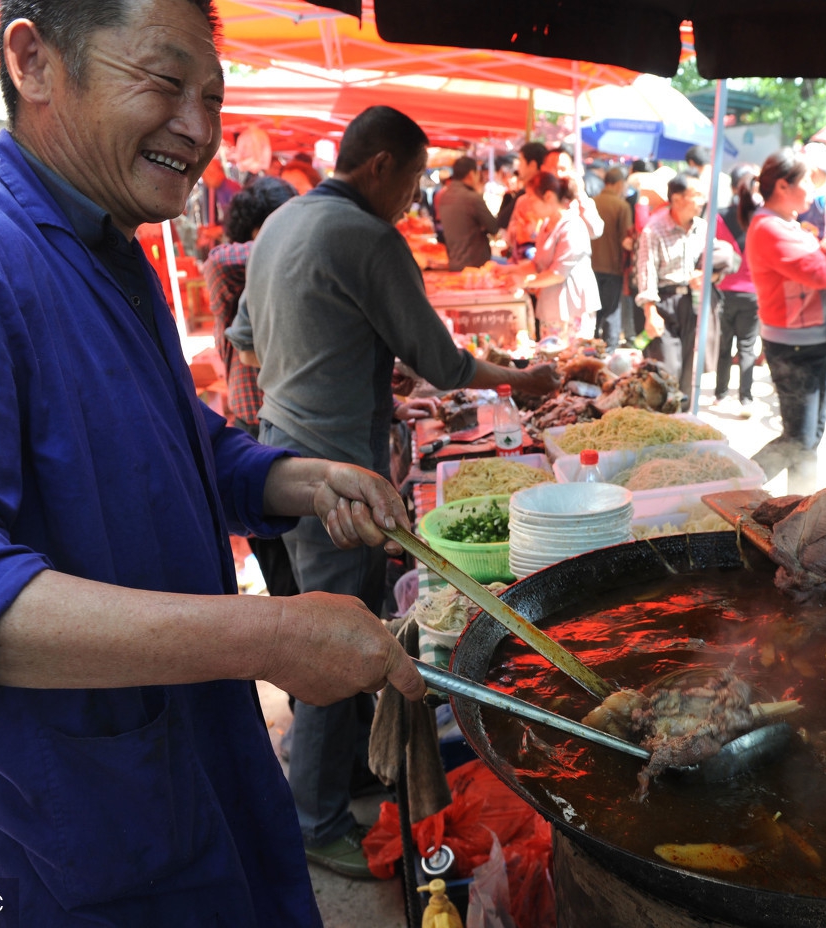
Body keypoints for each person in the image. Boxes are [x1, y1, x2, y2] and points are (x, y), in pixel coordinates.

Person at [0, 2, 427, 925]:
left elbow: (181, 444)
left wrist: (291, 479)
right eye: (164, 83)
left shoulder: (111, 253)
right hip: (44, 845)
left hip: (188, 770)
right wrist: (267, 637)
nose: (198, 129)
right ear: (34, 60)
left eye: (211, 97)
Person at [242, 105, 560, 879]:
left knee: (337, 623)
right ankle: (315, 820)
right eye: (415, 177)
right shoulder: (366, 237)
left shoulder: (282, 223)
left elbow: (246, 340)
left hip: (278, 454)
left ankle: (342, 772)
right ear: (382, 165)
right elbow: (443, 365)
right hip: (335, 477)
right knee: (331, 636)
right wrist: (527, 380)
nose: (414, 196)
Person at [205, 177, 301, 598]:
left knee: (305, 555)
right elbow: (221, 259)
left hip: (293, 417)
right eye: (284, 224)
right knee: (278, 560)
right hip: (251, 426)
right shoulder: (228, 267)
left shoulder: (293, 270)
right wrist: (301, 231)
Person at [746, 148, 826, 493]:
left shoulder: (786, 224)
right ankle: (734, 485)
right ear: (783, 186)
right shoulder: (768, 227)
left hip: (813, 340)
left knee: (810, 435)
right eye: (807, 180)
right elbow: (816, 272)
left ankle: (797, 504)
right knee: (798, 438)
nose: (813, 190)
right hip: (793, 344)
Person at [634, 173, 713, 403]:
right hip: (663, 303)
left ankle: (684, 424)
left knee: (689, 371)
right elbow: (645, 271)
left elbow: (714, 261)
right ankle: (664, 423)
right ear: (677, 199)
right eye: (696, 195)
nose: (702, 200)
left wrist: (707, 275)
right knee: (667, 371)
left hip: (692, 302)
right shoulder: (654, 230)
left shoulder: (702, 228)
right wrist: (650, 313)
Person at [522, 170, 602, 340]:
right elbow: (538, 264)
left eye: (532, 199)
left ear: (549, 196)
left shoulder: (571, 225)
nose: (529, 205)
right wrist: (508, 271)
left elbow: (558, 273)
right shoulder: (545, 225)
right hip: (551, 308)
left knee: (573, 362)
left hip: (573, 308)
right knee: (551, 359)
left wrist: (524, 281)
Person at [711, 167, 762, 416]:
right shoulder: (761, 218)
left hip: (725, 290)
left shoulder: (719, 217)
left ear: (732, 187)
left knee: (724, 345)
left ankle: (721, 395)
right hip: (753, 292)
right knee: (747, 347)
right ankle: (746, 398)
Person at [590, 165, 634, 351]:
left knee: (593, 310)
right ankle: (609, 349)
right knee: (611, 310)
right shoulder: (621, 206)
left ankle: (592, 345)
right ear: (618, 184)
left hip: (590, 266)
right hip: (612, 267)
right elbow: (627, 240)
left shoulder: (592, 202)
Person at [434, 155, 500, 270]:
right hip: (474, 265)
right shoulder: (472, 198)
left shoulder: (444, 196)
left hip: (454, 261)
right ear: (471, 174)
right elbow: (493, 227)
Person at [498, 140, 548, 258]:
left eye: (520, 161)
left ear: (532, 165)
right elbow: (505, 224)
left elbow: (502, 222)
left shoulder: (549, 197)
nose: (518, 167)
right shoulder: (523, 197)